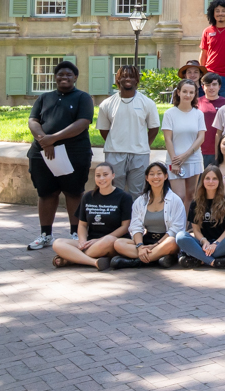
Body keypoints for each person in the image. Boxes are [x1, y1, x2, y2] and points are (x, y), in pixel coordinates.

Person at [26, 61, 94, 250]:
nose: (64, 78)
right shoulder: (44, 98)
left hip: (74, 153)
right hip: (42, 154)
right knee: (46, 193)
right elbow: (33, 120)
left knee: (73, 193)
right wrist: (43, 140)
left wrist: (53, 139)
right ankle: (46, 235)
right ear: (55, 77)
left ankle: (75, 234)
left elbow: (83, 123)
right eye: (60, 74)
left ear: (75, 78)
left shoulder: (83, 98)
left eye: (68, 75)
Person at [50, 162, 130, 270]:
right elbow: (82, 225)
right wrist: (82, 241)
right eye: (98, 175)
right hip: (90, 243)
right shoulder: (88, 197)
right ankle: (94, 261)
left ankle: (70, 259)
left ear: (113, 175)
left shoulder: (124, 197)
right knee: (57, 243)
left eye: (105, 174)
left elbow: (125, 227)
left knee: (109, 240)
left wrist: (99, 240)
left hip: (112, 242)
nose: (101, 178)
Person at [96, 64, 160, 196]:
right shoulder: (107, 104)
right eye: (124, 76)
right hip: (114, 153)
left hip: (139, 154)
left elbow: (154, 128)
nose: (128, 79)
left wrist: (143, 144)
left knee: (137, 192)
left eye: (131, 76)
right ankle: (118, 217)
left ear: (137, 80)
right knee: (114, 191)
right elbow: (103, 129)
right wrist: (115, 141)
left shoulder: (147, 103)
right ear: (118, 79)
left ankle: (135, 217)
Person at [112, 162, 185, 269]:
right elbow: (136, 227)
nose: (155, 177)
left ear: (165, 176)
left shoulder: (175, 200)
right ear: (147, 178)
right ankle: (157, 258)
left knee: (172, 242)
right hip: (147, 240)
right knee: (118, 243)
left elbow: (176, 229)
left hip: (165, 240)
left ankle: (136, 262)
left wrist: (156, 245)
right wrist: (140, 246)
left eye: (159, 173)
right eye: (152, 174)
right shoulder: (140, 201)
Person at [176, 165, 225, 268]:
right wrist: (204, 241)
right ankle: (214, 262)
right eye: (207, 178)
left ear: (219, 181)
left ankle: (199, 259)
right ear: (202, 181)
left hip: (221, 244)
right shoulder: (195, 202)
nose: (211, 182)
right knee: (180, 236)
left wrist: (215, 244)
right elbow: (196, 230)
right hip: (203, 244)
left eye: (214, 179)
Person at [163, 79, 207, 202]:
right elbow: (168, 139)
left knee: (190, 195)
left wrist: (186, 155)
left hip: (193, 159)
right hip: (175, 160)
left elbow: (201, 138)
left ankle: (186, 222)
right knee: (179, 196)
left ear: (195, 94)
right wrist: (175, 161)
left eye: (191, 92)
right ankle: (177, 221)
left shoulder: (198, 114)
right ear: (178, 92)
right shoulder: (169, 114)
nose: (188, 95)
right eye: (185, 91)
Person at [199, 72, 224, 166]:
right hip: (200, 150)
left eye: (214, 84)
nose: (211, 88)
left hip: (222, 150)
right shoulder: (196, 103)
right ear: (203, 87)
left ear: (219, 86)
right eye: (208, 85)